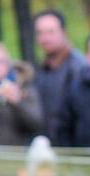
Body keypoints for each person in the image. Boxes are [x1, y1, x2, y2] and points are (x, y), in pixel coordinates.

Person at [32, 10, 90, 147]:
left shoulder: (79, 68)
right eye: (40, 33)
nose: (45, 38)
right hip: (48, 147)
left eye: (50, 32)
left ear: (64, 32)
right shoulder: (43, 68)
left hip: (72, 152)